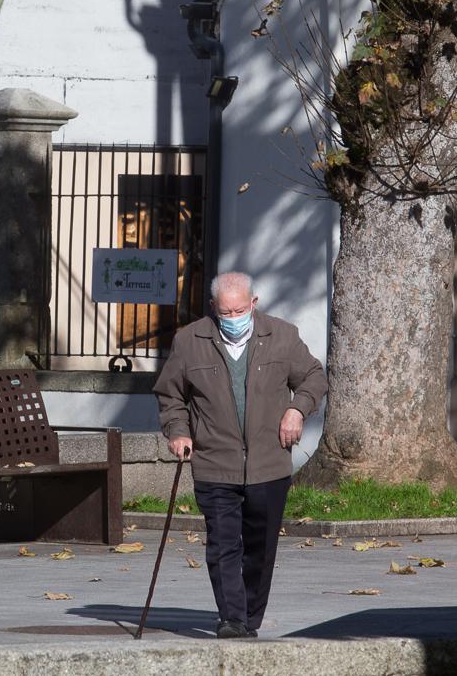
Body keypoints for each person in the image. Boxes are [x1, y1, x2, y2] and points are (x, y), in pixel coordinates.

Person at [153, 271, 327, 639]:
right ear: (214, 307)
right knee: (222, 545)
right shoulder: (190, 340)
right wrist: (179, 432)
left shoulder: (282, 336)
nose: (233, 319)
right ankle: (232, 618)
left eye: (239, 310)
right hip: (214, 463)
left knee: (261, 550)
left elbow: (314, 377)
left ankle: (249, 615)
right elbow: (170, 395)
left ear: (254, 303)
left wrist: (297, 410)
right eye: (226, 312)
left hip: (269, 463)